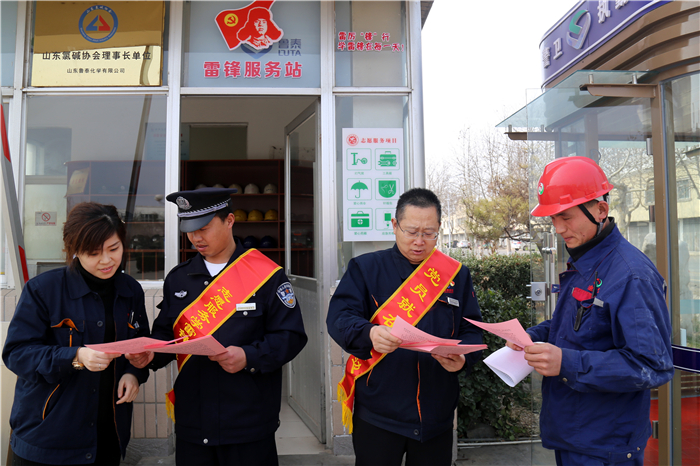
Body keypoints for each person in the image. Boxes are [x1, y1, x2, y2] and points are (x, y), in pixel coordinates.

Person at [506, 156, 674, 466]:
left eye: (566, 216)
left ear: (601, 209)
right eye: (553, 218)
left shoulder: (630, 275)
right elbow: (575, 326)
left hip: (605, 446)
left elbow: (653, 365)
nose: (558, 228)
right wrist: (532, 336)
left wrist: (566, 362)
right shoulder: (586, 261)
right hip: (576, 434)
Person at [126, 187, 307, 466]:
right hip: (193, 420)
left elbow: (291, 336)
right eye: (189, 229)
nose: (196, 237)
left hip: (248, 420)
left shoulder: (266, 274)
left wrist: (249, 356)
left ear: (230, 221)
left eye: (204, 227)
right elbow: (167, 334)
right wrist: (151, 355)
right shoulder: (179, 278)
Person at [326, 188, 483, 466]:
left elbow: (472, 330)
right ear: (394, 225)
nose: (420, 241)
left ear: (439, 229)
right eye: (411, 231)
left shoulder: (457, 275)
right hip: (379, 413)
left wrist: (462, 360)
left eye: (429, 233)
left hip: (436, 413)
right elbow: (339, 318)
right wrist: (370, 333)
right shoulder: (365, 268)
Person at [2, 202, 150, 466]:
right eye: (94, 253)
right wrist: (76, 356)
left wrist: (134, 372)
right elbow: (17, 354)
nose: (107, 260)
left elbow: (140, 344)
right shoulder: (44, 290)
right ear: (74, 251)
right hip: (48, 437)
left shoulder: (130, 290)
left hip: (109, 433)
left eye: (114, 249)